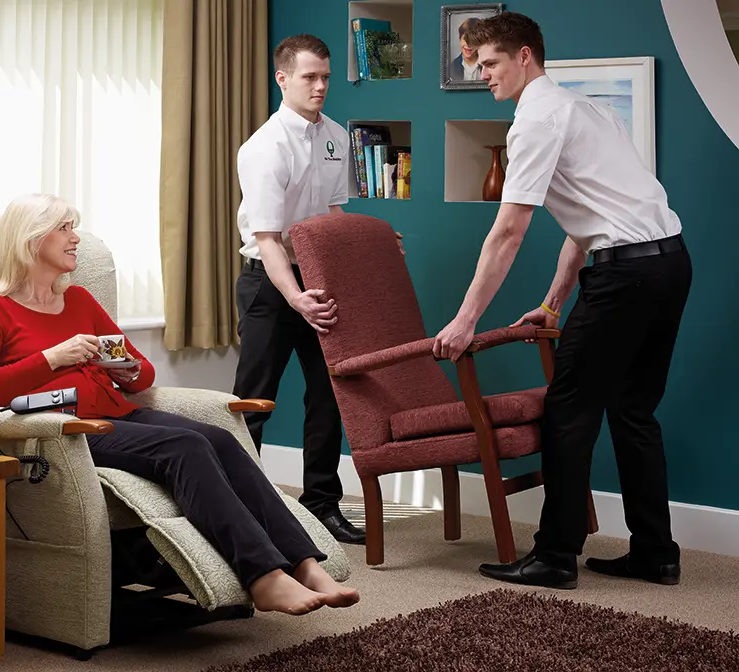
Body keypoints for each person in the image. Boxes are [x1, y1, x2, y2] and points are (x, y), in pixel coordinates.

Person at [0, 193, 360, 616]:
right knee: (184, 448)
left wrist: (123, 367)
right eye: (65, 228)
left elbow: (143, 374)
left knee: (220, 439)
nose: (76, 238)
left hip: (119, 414)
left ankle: (306, 564)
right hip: (68, 429)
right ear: (30, 239)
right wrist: (53, 358)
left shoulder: (78, 301)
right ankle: (263, 576)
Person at [432, 12, 691, 589]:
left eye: (491, 63)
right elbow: (587, 222)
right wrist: (553, 303)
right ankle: (656, 553)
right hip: (670, 262)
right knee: (633, 411)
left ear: (526, 56)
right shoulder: (587, 109)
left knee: (568, 410)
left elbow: (509, 231)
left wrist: (464, 320)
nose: (484, 75)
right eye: (477, 65)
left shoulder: (537, 121)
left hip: (625, 278)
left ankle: (554, 556)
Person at [232, 34, 373, 545]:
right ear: (283, 78)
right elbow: (267, 239)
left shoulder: (336, 135)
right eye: (309, 77)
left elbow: (333, 216)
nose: (320, 86)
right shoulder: (264, 148)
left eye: (326, 77)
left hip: (319, 282)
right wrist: (295, 297)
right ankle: (239, 505)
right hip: (271, 289)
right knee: (254, 399)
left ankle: (322, 505)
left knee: (330, 394)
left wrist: (367, 241)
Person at [450, 18, 482, 82]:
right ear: (460, 39)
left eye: (473, 40)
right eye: (465, 39)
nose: (468, 44)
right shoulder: (451, 68)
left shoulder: (488, 65)